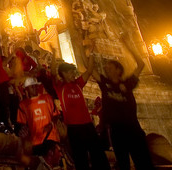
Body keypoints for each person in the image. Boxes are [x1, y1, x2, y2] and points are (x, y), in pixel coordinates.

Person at [92, 32, 155, 170]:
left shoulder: (128, 83)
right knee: (123, 163)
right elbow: (90, 70)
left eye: (110, 67)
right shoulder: (105, 83)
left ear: (118, 69)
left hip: (132, 127)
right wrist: (83, 48)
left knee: (143, 162)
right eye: (106, 68)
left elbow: (140, 64)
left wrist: (128, 45)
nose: (106, 69)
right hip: (116, 130)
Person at [52, 53, 110, 169]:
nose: (74, 74)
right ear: (64, 74)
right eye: (71, 72)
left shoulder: (78, 84)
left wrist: (91, 54)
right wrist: (54, 57)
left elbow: (89, 70)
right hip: (74, 128)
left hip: (88, 125)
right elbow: (53, 74)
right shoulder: (60, 87)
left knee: (98, 155)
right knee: (80, 158)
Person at [17, 77, 60, 156]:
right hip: (35, 141)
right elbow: (22, 123)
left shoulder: (47, 98)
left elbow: (56, 115)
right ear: (26, 89)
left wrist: (51, 124)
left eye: (35, 86)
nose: (34, 88)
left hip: (50, 137)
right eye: (32, 86)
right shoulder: (23, 105)